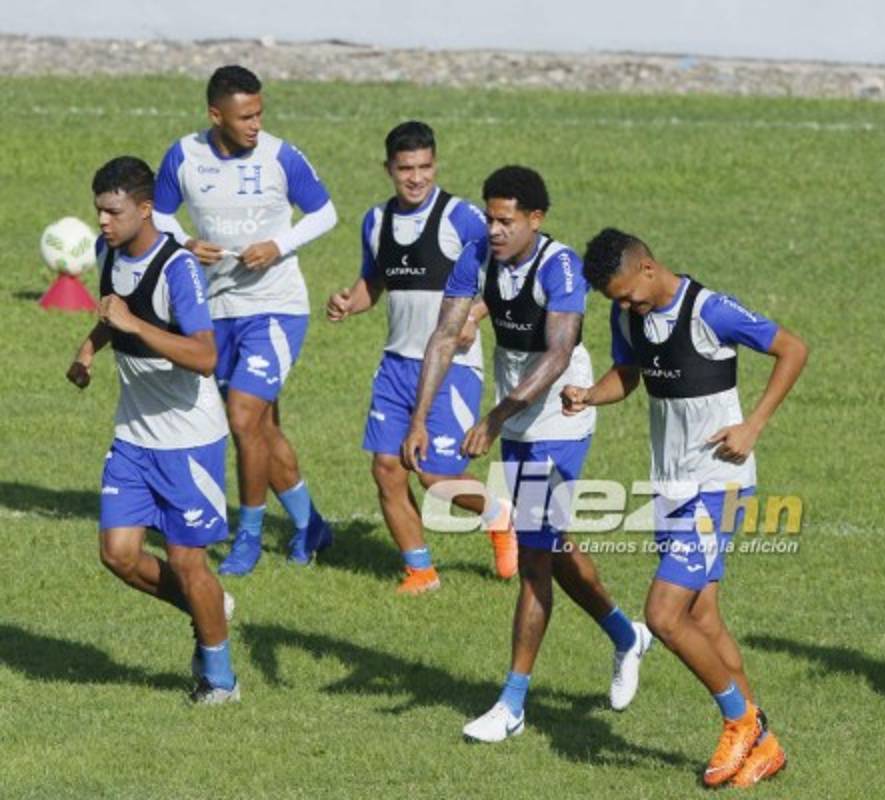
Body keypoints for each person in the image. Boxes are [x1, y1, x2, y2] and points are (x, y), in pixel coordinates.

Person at [403, 166, 651, 741]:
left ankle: (512, 705)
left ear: (535, 220)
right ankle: (625, 634)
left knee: (535, 558)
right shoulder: (476, 257)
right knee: (552, 548)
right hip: (514, 418)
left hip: (559, 416)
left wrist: (494, 418)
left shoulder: (558, 266)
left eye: (505, 220)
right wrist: (419, 418)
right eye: (489, 217)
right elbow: (444, 336)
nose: (492, 229)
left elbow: (560, 354)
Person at [571, 228, 807, 787]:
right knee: (701, 616)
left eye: (627, 294)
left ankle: (739, 720)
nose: (623, 306)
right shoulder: (627, 316)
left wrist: (753, 426)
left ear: (649, 267)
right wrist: (588, 395)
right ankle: (765, 745)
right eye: (615, 300)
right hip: (671, 487)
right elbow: (628, 375)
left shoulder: (710, 310)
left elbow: (792, 349)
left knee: (663, 614)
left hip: (719, 485)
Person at [152, 65, 337, 575]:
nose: (256, 124)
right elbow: (159, 215)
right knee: (262, 428)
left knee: (240, 418)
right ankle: (312, 525)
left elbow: (325, 213)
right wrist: (186, 243)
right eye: (245, 116)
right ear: (216, 115)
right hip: (220, 309)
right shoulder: (184, 156)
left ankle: (248, 537)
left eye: (260, 113)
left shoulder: (280, 156)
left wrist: (279, 245)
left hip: (277, 307)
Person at [67, 156, 238, 704]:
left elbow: (206, 355)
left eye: (113, 212)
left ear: (146, 210)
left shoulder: (178, 270)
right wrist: (90, 348)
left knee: (189, 561)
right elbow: (116, 310)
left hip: (189, 441)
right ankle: (208, 606)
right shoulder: (108, 253)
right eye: (98, 211)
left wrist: (131, 326)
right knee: (117, 553)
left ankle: (219, 679)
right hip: (134, 437)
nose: (102, 222)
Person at [326, 121, 517, 594]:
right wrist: (351, 301)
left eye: (425, 167)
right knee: (387, 468)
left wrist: (474, 315)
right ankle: (420, 571)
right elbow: (375, 282)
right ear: (388, 168)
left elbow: (509, 275)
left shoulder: (464, 219)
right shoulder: (376, 221)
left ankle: (499, 514)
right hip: (397, 364)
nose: (416, 178)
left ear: (436, 165)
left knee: (435, 473)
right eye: (406, 168)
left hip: (453, 366)